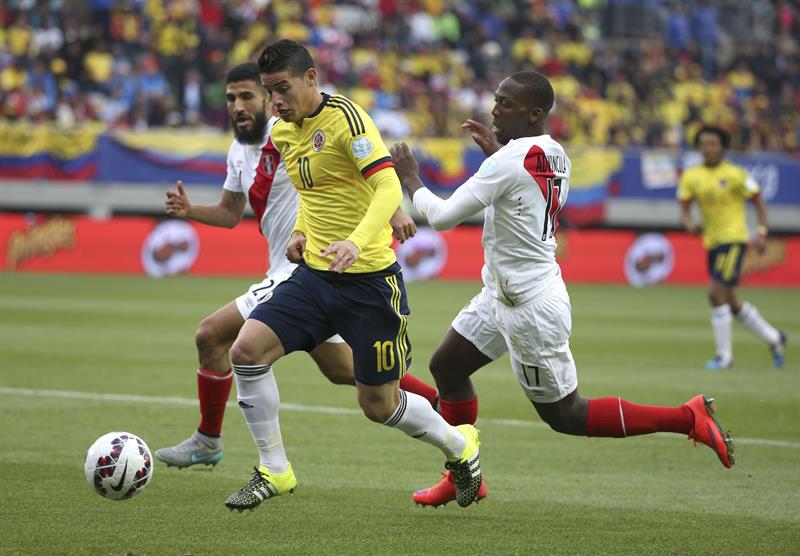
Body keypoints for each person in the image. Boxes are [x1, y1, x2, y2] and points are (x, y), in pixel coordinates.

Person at [389, 71, 735, 509]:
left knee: (567, 415)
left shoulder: (509, 161)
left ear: (534, 113)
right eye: (496, 100)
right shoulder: (554, 153)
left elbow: (440, 217)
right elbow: (523, 185)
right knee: (449, 367)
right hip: (501, 293)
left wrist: (411, 178)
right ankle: (464, 473)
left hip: (529, 306)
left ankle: (688, 417)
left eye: (506, 104)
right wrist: (498, 153)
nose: (494, 109)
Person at [222, 39, 481, 512]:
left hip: (369, 283)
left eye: (282, 88)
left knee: (378, 405)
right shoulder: (283, 132)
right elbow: (313, 193)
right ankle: (274, 470)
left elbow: (385, 184)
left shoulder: (347, 119)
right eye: (268, 90)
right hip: (315, 277)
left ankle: (461, 447)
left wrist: (357, 241)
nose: (275, 101)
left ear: (311, 79)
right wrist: (301, 232)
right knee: (246, 351)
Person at [154, 63, 418, 471]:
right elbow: (229, 212)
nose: (238, 106)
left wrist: (394, 209)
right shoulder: (240, 151)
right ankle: (442, 407)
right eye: (230, 98)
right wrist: (191, 211)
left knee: (212, 335)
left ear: (270, 99)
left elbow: (351, 172)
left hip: (302, 269)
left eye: (248, 96)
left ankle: (211, 441)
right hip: (295, 267)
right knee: (346, 371)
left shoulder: (293, 132)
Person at [678, 125, 786, 370]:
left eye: (712, 143)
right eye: (703, 144)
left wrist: (761, 232)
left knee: (715, 293)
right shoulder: (691, 176)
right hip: (712, 241)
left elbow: (759, 202)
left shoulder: (736, 174)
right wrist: (689, 223)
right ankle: (774, 339)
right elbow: (684, 207)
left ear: (722, 147)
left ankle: (724, 356)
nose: (707, 148)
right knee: (732, 301)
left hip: (734, 239)